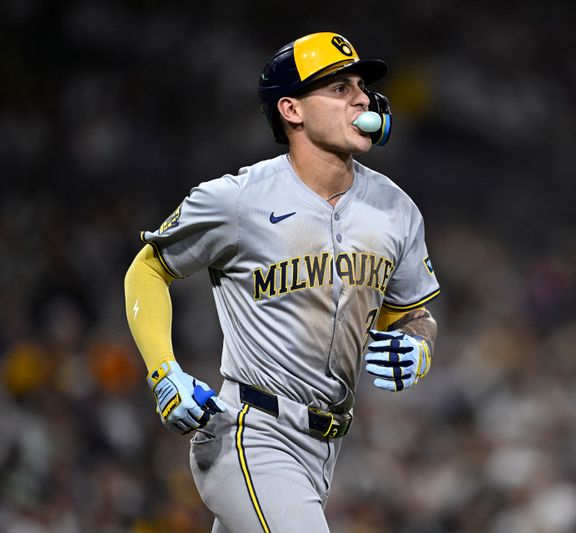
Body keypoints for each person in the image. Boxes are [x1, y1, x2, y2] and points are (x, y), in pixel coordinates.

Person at [123, 31, 440, 532]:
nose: (361, 97)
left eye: (360, 85)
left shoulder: (395, 209)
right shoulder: (238, 199)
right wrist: (165, 371)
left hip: (326, 449)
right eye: (338, 89)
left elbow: (413, 314)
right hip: (250, 433)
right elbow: (147, 268)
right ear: (291, 110)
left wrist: (418, 343)